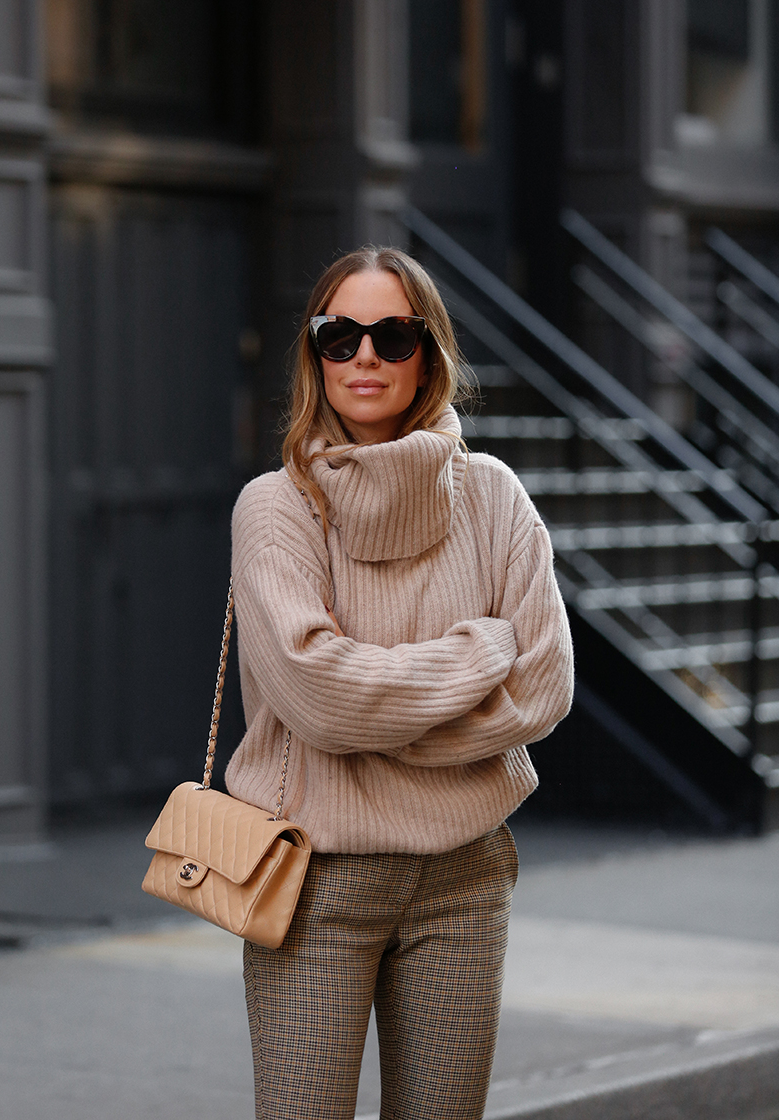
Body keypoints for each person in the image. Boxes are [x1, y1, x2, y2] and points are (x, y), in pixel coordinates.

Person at [225, 246, 573, 1120]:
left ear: (430, 352)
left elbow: (546, 687)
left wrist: (379, 715)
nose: (366, 356)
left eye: (392, 334)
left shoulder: (492, 495)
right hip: (315, 881)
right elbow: (320, 696)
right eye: (339, 336)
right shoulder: (277, 506)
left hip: (466, 872)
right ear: (315, 353)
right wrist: (480, 652)